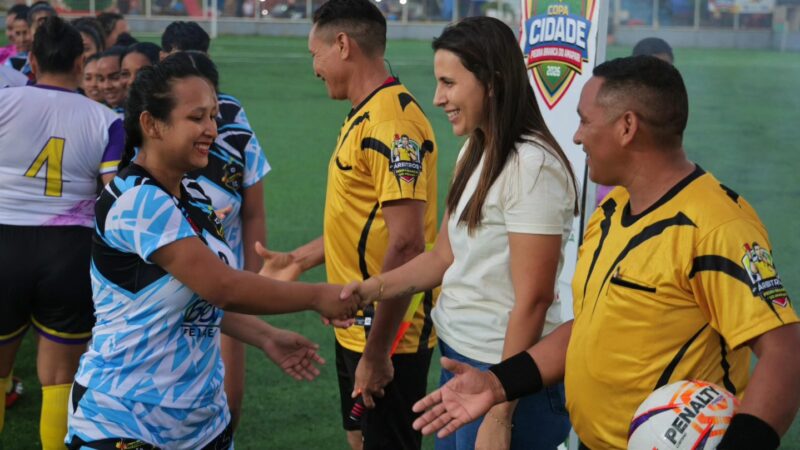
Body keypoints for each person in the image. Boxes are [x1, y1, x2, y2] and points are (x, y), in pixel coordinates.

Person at [411, 56, 800, 450]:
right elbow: (588, 329)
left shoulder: (715, 227)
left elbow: (785, 352)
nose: (577, 137)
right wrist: (497, 383)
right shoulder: (611, 212)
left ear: (627, 127)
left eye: (585, 120)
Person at [66, 51, 358, 449]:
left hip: (201, 423)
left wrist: (265, 336)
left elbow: (199, 295)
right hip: (125, 418)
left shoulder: (194, 194)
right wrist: (317, 296)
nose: (212, 129)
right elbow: (222, 286)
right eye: (196, 117)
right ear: (151, 124)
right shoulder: (137, 201)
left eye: (214, 116)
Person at [341, 16, 578, 450]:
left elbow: (534, 298)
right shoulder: (477, 148)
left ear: (494, 82)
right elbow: (442, 258)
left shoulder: (532, 166)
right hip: (460, 361)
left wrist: (500, 411)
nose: (437, 98)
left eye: (449, 83)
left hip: (504, 378)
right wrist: (368, 289)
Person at [263, 1, 439, 448]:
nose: (314, 69)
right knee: (359, 438)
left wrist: (379, 351)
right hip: (358, 323)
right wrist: (300, 259)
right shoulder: (367, 114)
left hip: (389, 333)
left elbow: (407, 244)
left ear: (343, 45)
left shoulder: (391, 124)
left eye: (315, 54)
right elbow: (367, 219)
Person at [0, 16, 125, 447]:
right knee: (59, 379)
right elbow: (113, 192)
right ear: (80, 60)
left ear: (31, 61)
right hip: (69, 250)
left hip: (4, 243)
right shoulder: (107, 120)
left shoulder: (3, 103)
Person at [159, 21, 272, 429]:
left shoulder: (237, 130)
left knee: (226, 399)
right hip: (162, 292)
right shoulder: (144, 134)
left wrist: (255, 283)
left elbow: (255, 212)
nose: (207, 123)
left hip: (224, 289)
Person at [595, 36, 675, 207]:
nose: (661, 78)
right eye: (652, 71)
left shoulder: (672, 109)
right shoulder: (612, 106)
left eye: (667, 69)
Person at [95, 46, 127, 114]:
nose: (106, 86)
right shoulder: (97, 113)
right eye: (101, 79)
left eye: (115, 78)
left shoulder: (143, 114)